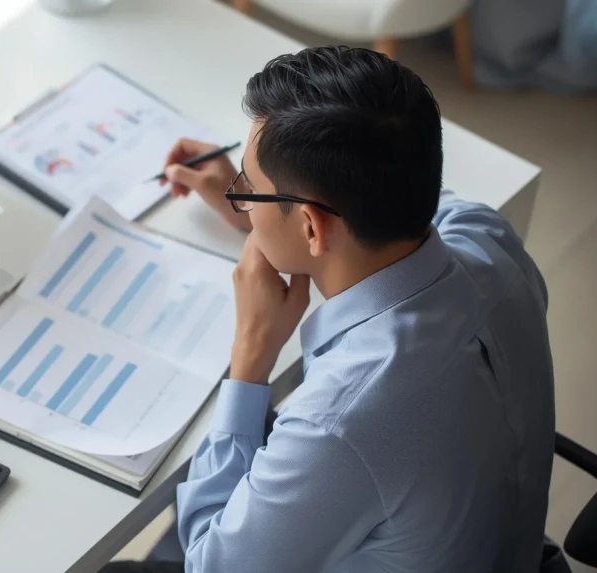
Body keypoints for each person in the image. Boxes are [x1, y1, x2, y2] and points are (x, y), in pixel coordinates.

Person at [104, 46, 555, 572]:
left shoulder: (341, 422)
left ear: (314, 227)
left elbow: (210, 564)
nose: (240, 197)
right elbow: (382, 189)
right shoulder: (488, 238)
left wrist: (251, 357)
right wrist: (267, 213)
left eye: (248, 188)